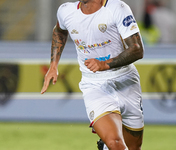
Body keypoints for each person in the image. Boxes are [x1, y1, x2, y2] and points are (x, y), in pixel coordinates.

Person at [41, 0, 144, 150]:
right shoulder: (66, 11)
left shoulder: (117, 8)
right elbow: (59, 30)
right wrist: (53, 65)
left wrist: (105, 64)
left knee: (134, 147)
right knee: (115, 143)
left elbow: (137, 49)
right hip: (95, 84)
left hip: (126, 80)